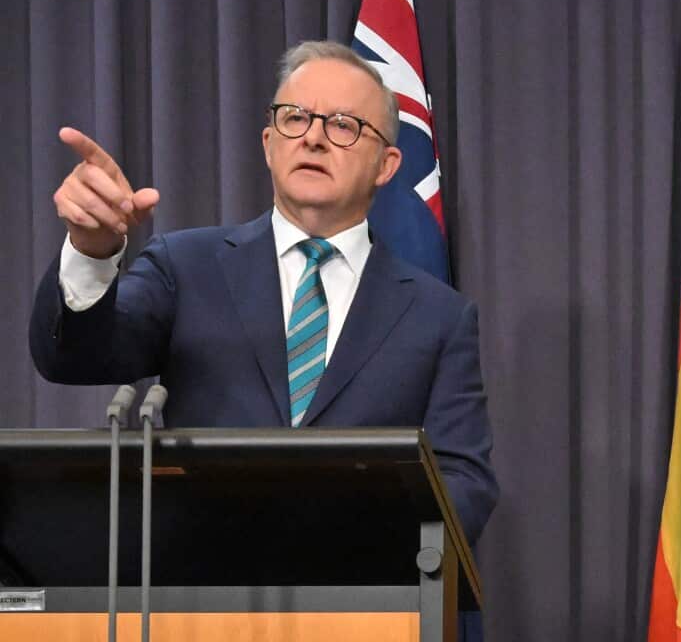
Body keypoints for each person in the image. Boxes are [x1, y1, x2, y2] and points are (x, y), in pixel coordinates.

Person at [29, 40, 497, 544]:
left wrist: (366, 565)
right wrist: (93, 249)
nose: (313, 138)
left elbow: (463, 483)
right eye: (296, 118)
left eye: (342, 125)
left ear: (386, 165)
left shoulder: (438, 316)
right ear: (269, 142)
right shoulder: (185, 268)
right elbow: (73, 358)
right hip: (200, 601)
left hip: (364, 609)